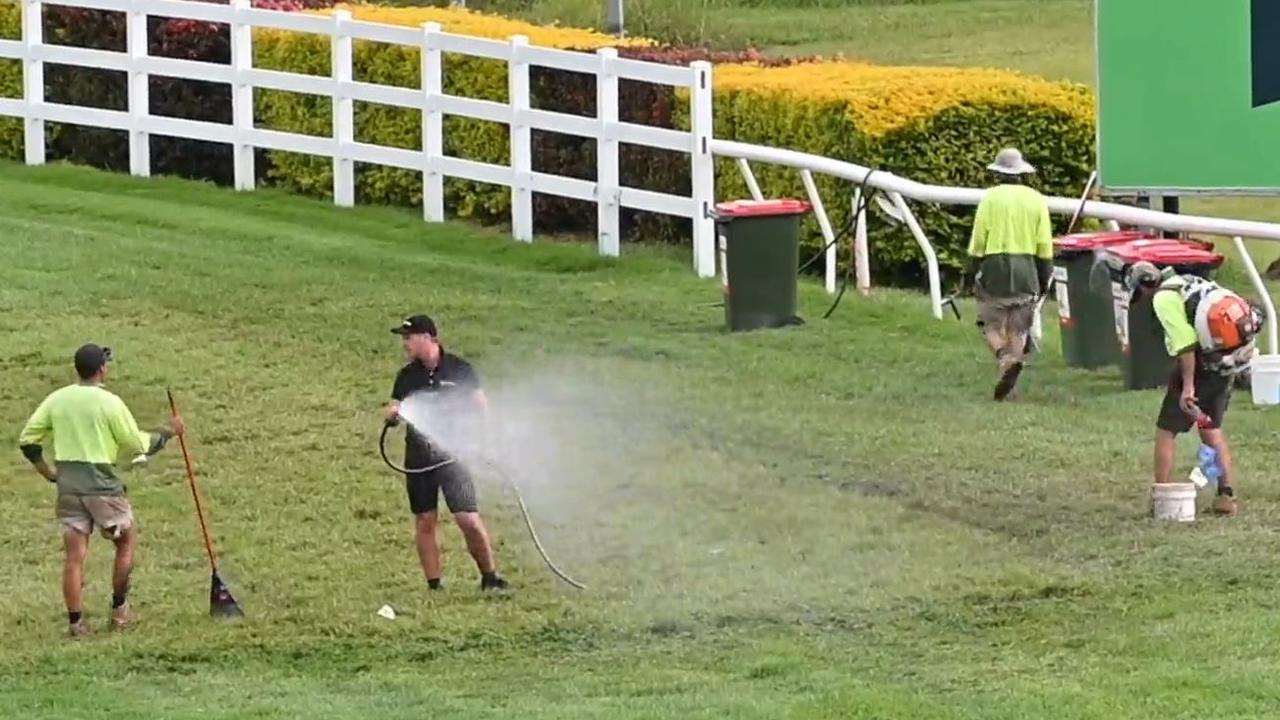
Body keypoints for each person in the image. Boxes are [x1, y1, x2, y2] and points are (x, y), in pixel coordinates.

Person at [17, 344, 184, 637]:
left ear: (76, 369)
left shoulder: (57, 399)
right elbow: (139, 444)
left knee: (74, 556)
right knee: (126, 542)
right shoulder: (110, 403)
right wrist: (169, 431)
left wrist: (48, 473)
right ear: (102, 369)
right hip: (102, 487)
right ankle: (120, 612)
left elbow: (28, 440)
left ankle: (76, 624)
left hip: (68, 487)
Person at [1125, 262, 1265, 517]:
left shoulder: (1163, 299)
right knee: (1209, 427)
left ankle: (1163, 497)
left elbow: (1186, 345)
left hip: (1199, 364)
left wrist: (1188, 387)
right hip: (1225, 362)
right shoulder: (1186, 281)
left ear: (1144, 288)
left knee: (1166, 430)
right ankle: (1227, 495)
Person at [384, 314, 509, 592]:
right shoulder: (407, 376)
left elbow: (481, 407)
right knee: (425, 519)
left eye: (409, 337)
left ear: (428, 338)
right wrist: (392, 415)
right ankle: (434, 585)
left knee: (467, 518)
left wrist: (486, 441)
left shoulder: (459, 369)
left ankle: (490, 578)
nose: (405, 343)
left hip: (455, 456)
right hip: (418, 459)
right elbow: (394, 406)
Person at [966, 147, 1054, 401]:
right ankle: (1012, 386)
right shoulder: (1036, 199)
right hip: (1027, 266)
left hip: (995, 265)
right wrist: (1044, 276)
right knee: (1019, 326)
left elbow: (979, 239)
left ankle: (1004, 357)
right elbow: (1044, 244)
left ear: (998, 173)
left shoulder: (990, 198)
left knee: (989, 322)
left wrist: (971, 269)